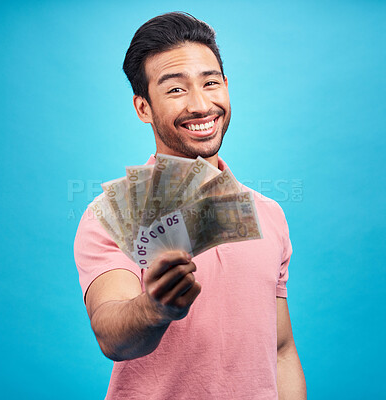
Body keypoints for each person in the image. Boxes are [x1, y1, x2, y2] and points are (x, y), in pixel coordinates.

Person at [74, 12, 307, 399]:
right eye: (176, 90)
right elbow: (112, 335)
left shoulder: (269, 214)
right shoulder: (110, 215)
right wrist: (155, 309)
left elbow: (280, 350)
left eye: (210, 83)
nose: (201, 105)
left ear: (226, 87)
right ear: (143, 108)